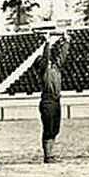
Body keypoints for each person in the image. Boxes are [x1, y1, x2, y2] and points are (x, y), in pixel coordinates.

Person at [38, 33, 70, 163]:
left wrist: (66, 42)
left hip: (56, 101)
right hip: (47, 101)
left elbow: (62, 57)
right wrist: (47, 43)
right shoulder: (43, 71)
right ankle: (47, 156)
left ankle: (51, 154)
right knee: (49, 128)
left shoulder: (55, 69)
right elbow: (46, 58)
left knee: (55, 128)